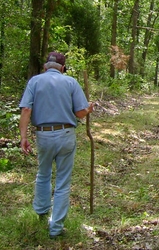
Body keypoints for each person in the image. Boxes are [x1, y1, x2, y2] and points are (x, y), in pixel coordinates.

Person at [19, 51, 93, 239]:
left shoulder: (34, 82)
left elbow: (27, 109)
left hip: (43, 135)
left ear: (45, 66)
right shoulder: (70, 82)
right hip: (66, 134)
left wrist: (23, 137)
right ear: (62, 68)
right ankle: (56, 227)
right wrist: (89, 109)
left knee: (43, 173)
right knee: (62, 181)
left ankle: (42, 211)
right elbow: (80, 113)